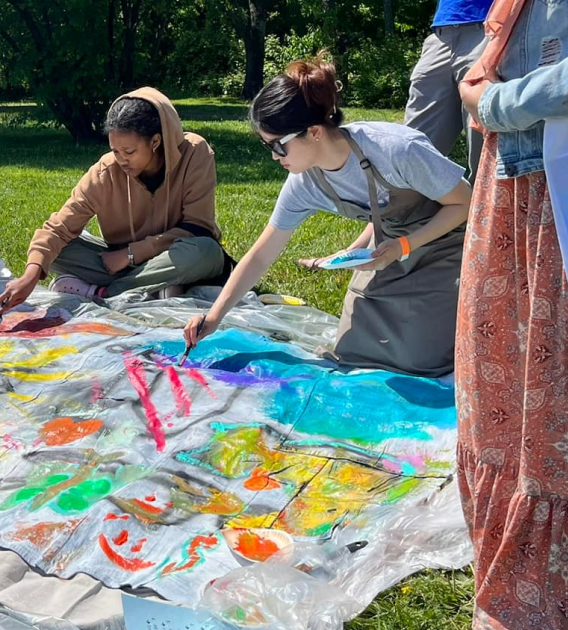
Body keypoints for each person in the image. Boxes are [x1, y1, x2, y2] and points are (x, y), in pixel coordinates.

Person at [184, 54, 471, 378]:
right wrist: (214, 318)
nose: (274, 157)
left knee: (419, 364)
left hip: (448, 243)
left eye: (278, 146)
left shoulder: (397, 150)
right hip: (388, 248)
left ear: (315, 132)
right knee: (354, 355)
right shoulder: (305, 183)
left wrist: (403, 246)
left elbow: (464, 204)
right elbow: (262, 254)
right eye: (267, 147)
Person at [455, 0, 568, 625]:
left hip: (555, 196)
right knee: (501, 384)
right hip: (514, 182)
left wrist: (492, 102)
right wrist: (477, 85)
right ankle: (511, 566)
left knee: (551, 404)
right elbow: (481, 68)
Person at [0, 87, 227, 310]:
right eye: (115, 151)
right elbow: (58, 228)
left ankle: (105, 294)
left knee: (206, 252)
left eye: (129, 152)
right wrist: (30, 276)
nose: (121, 160)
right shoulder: (105, 171)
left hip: (176, 253)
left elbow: (198, 227)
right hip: (120, 263)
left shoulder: (194, 153)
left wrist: (132, 253)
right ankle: (154, 290)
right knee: (57, 251)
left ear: (155, 142)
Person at [403, 0, 493, 180]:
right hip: (441, 31)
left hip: (488, 26)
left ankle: (482, 206)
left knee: (484, 148)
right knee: (411, 148)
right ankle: (408, 203)